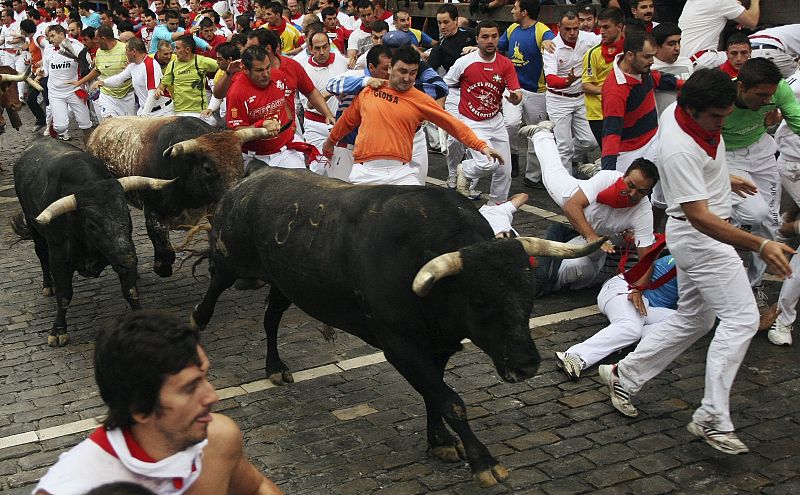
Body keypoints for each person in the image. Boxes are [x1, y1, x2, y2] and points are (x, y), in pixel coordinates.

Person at [596, 68, 794, 454]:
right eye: (717, 118)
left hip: (697, 230)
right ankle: (711, 416)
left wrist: (723, 177)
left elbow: (706, 165)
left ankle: (625, 374)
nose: (722, 123)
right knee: (742, 319)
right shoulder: (680, 146)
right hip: (702, 236)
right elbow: (700, 216)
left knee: (696, 318)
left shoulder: (686, 114)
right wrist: (760, 245)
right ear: (695, 110)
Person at [33, 310, 284, 494]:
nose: (212, 396)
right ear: (140, 408)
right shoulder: (71, 487)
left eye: (205, 377)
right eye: (189, 388)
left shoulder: (218, 438)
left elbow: (256, 488)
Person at [324, 45, 503, 187]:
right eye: (402, 71)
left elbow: (451, 124)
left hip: (401, 173)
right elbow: (347, 121)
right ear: (390, 68)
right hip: (365, 171)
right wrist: (330, 142)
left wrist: (481, 146)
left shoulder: (420, 99)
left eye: (412, 73)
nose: (407, 78)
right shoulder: (369, 91)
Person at [522, 120, 658, 299]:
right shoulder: (609, 178)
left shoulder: (643, 211)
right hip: (576, 198)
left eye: (641, 191)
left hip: (596, 241)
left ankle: (594, 171)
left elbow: (646, 259)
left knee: (574, 268)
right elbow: (572, 207)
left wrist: (639, 290)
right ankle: (542, 134)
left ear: (648, 193)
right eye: (630, 185)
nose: (632, 193)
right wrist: (592, 237)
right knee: (552, 174)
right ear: (622, 177)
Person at [723, 58, 800, 302]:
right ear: (741, 87)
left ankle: (753, 287)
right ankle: (727, 225)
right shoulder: (720, 97)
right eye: (761, 95)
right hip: (728, 158)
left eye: (771, 95)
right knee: (756, 215)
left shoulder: (778, 90)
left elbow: (797, 120)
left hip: (762, 153)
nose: (768, 101)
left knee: (770, 223)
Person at [556, 254, 677, 380]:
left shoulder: (691, 262)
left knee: (682, 323)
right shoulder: (687, 264)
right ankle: (575, 356)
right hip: (624, 288)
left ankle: (633, 339)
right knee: (630, 327)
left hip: (645, 305)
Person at [444, 20, 520, 203]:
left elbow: (516, 92)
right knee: (486, 163)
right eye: (485, 37)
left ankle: (495, 207)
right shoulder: (464, 63)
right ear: (476, 39)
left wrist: (514, 98)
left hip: (496, 121)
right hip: (472, 122)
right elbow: (447, 83)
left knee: (504, 170)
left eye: (494, 36)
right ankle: (465, 169)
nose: (490, 41)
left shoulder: (505, 64)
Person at [600, 28, 680, 173]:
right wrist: (608, 174)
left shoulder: (642, 70)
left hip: (654, 141)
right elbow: (611, 133)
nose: (651, 61)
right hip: (630, 154)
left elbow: (658, 78)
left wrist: (691, 86)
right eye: (647, 57)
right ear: (630, 55)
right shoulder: (615, 91)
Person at [498, 0, 555, 186]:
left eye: (515, 8)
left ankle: (532, 176)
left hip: (536, 91)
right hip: (512, 87)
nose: (512, 11)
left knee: (536, 134)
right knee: (510, 123)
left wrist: (549, 41)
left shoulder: (543, 31)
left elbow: (553, 42)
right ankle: (513, 155)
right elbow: (497, 48)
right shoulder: (511, 29)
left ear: (524, 12)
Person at [543, 10, 599, 172]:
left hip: (581, 97)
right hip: (558, 100)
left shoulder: (589, 39)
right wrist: (567, 81)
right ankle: (566, 189)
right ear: (558, 27)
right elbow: (551, 80)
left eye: (575, 28)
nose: (572, 33)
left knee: (591, 141)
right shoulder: (552, 47)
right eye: (567, 29)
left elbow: (611, 39)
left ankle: (558, 159)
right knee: (564, 146)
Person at [298, 31, 348, 162]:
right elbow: (308, 104)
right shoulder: (305, 71)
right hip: (316, 126)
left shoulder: (342, 60)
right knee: (319, 167)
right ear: (310, 49)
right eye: (317, 48)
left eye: (325, 47)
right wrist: (330, 92)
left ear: (330, 45)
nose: (321, 52)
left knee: (342, 167)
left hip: (342, 123)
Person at [95, 37, 174, 117]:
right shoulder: (132, 66)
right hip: (147, 111)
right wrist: (103, 82)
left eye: (126, 50)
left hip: (162, 112)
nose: (125, 53)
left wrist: (144, 116)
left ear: (133, 51)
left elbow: (152, 93)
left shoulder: (150, 64)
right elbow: (119, 79)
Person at [583, 7, 625, 149]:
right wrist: (611, 91)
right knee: (610, 153)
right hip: (599, 115)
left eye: (606, 27)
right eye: (600, 27)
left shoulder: (630, 51)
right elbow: (586, 85)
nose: (601, 31)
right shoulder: (592, 54)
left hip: (624, 110)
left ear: (619, 26)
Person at [73, 26, 136, 120]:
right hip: (107, 95)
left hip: (126, 95)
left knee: (127, 127)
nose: (95, 42)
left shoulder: (125, 49)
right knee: (108, 124)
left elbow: (139, 67)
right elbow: (98, 70)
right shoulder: (99, 52)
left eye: (96, 39)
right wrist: (80, 82)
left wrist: (132, 69)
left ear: (103, 39)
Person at [679, 0, 759, 69]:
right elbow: (752, 21)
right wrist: (755, 2)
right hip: (703, 59)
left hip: (685, 63)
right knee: (758, 53)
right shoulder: (721, 1)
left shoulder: (692, 2)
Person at [157, 34, 218, 124]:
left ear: (187, 50)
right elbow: (163, 84)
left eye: (177, 48)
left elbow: (222, 66)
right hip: (179, 112)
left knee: (213, 123)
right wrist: (159, 90)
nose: (174, 51)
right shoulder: (173, 64)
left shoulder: (201, 61)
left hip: (199, 112)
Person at [651, 22, 691, 115]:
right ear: (657, 46)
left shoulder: (687, 63)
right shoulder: (650, 66)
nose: (677, 48)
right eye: (671, 44)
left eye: (679, 42)